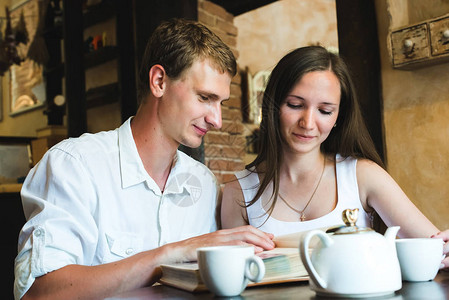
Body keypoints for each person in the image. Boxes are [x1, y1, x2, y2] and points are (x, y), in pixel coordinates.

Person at [14, 18, 275, 300]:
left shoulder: (202, 182)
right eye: (204, 98)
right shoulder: (74, 165)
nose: (217, 120)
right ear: (159, 81)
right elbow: (39, 293)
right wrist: (173, 253)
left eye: (220, 103)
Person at [221, 46, 448, 269]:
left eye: (325, 111)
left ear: (339, 116)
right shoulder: (237, 191)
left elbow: (433, 248)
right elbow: (233, 277)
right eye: (295, 105)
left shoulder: (363, 175)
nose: (308, 123)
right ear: (273, 105)